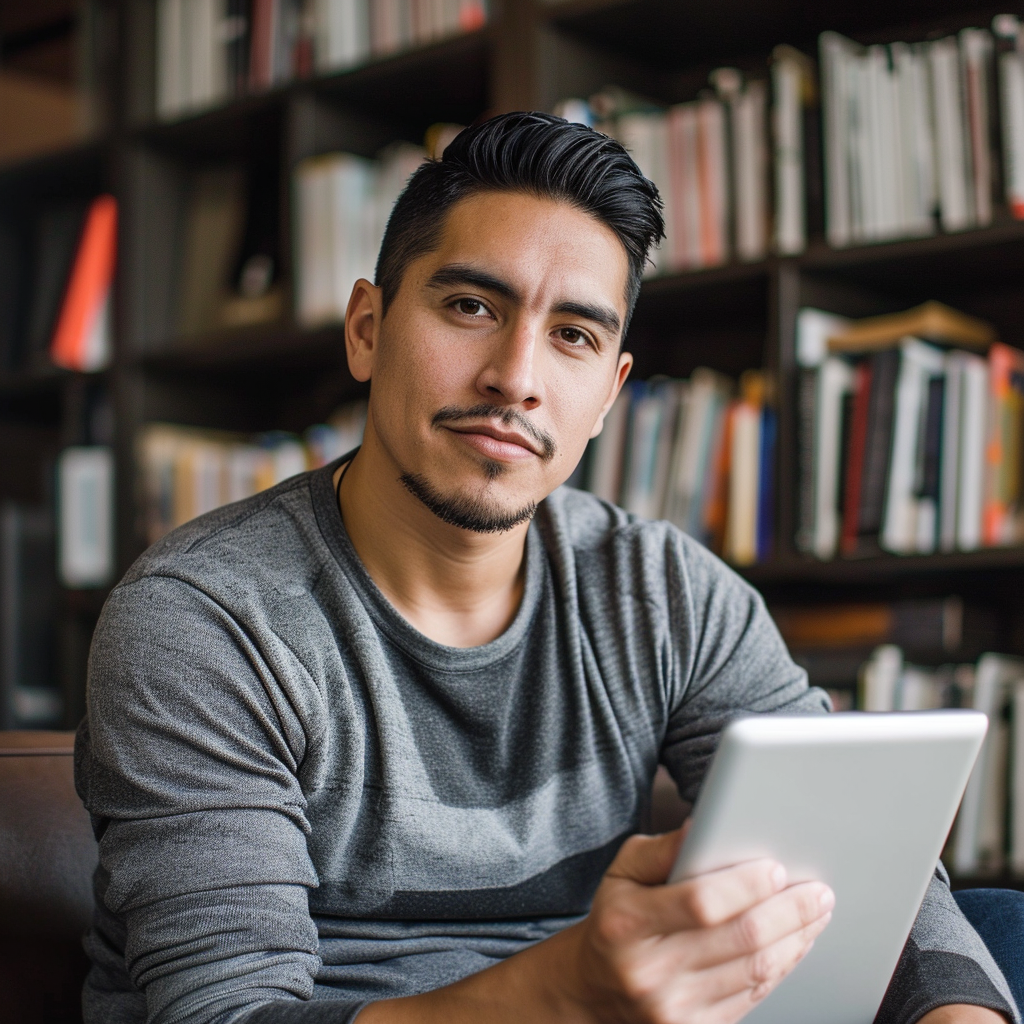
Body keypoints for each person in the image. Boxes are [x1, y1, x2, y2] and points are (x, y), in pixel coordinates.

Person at [75, 112, 1017, 1024]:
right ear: (367, 328)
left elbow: (867, 869)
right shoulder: (205, 619)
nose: (516, 375)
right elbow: (227, 1011)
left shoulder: (663, 594)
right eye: (471, 305)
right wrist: (564, 999)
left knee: (995, 934)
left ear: (609, 392)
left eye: (573, 334)